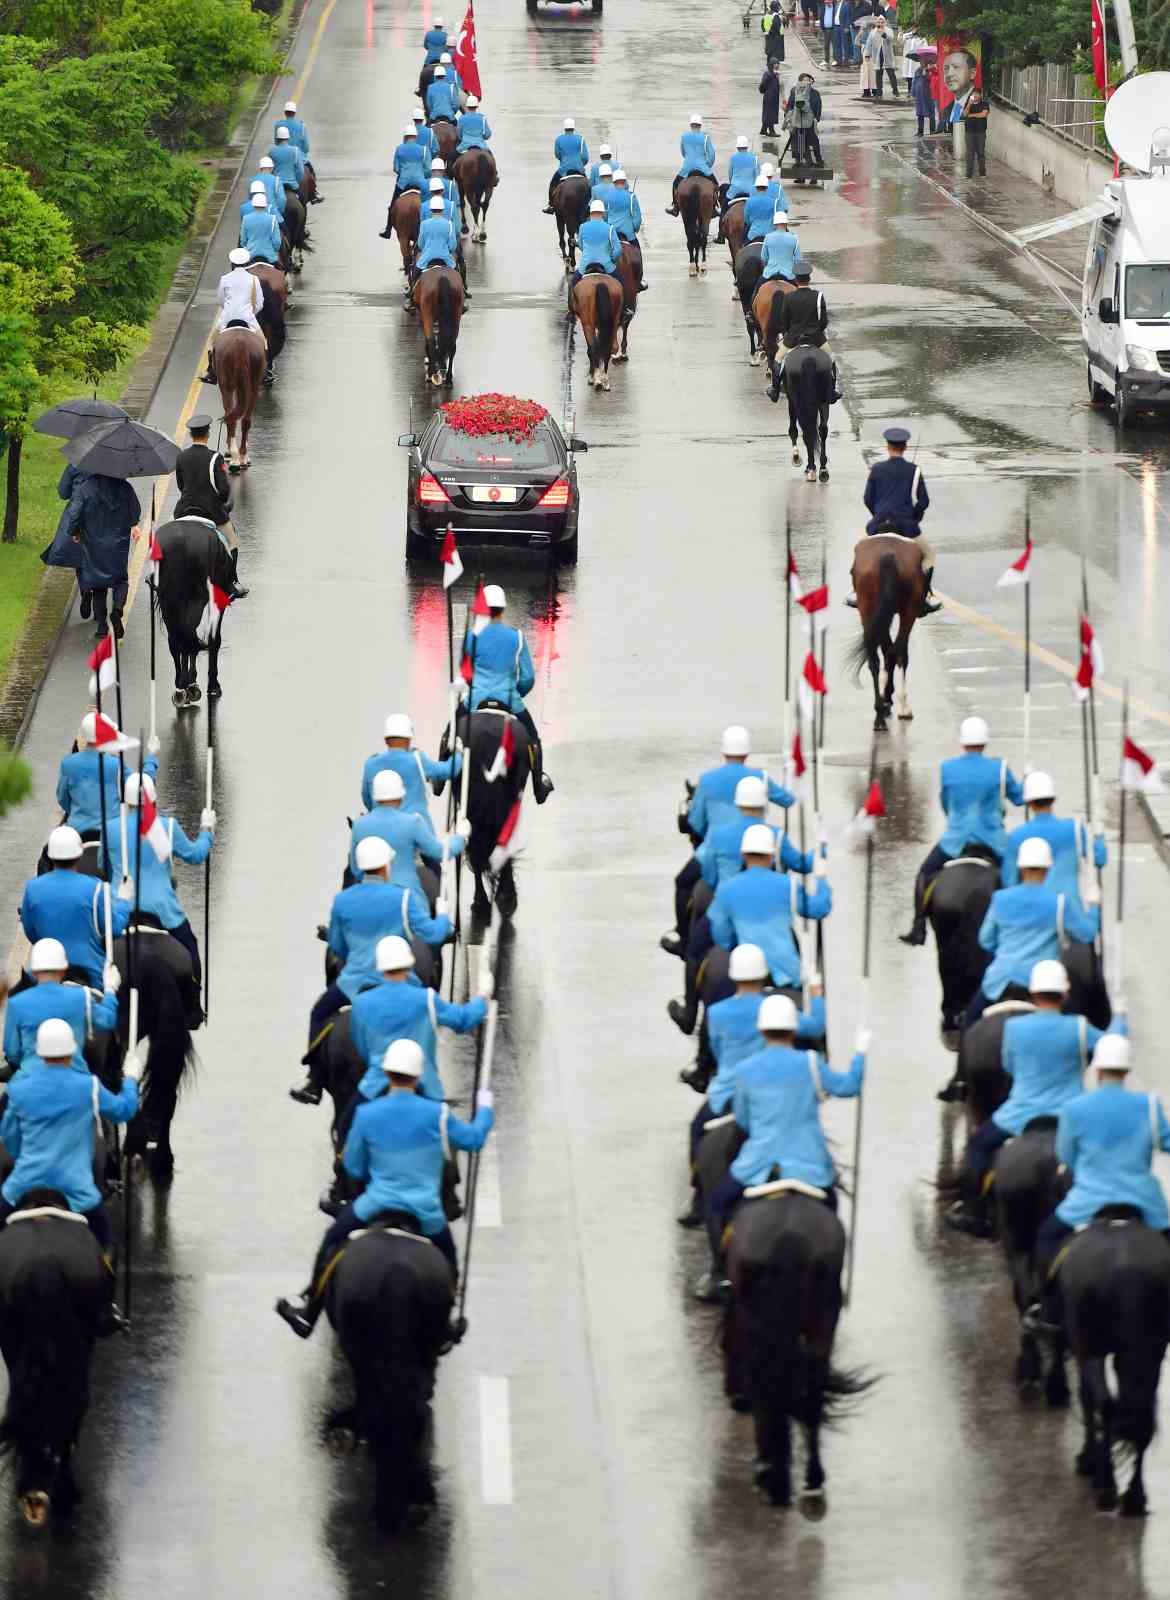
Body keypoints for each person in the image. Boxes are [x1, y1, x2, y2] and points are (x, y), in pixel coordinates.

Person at [275, 1038, 494, 1338]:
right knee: (448, 1256)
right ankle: (449, 1315)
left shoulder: (367, 1114)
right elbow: (473, 1139)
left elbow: (353, 1166)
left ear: (388, 1072)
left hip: (374, 1204)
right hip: (425, 1212)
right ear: (419, 1075)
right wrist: (485, 1108)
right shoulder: (438, 1115)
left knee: (333, 1240)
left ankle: (309, 1306)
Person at [697, 995, 867, 1299]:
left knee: (717, 1205)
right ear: (794, 1030)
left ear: (762, 1030)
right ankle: (831, 1279)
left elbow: (745, 1122)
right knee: (830, 1207)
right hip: (809, 1162)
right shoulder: (812, 1064)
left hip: (758, 1163)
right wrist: (860, 1054)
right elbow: (849, 1086)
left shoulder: (745, 1070)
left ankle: (720, 1274)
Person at [946, 959, 1128, 1235]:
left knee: (978, 1147)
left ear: (1033, 994)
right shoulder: (1078, 1027)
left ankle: (975, 1214)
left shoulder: (1015, 1030)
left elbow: (1008, 1066)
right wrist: (1120, 1018)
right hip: (1070, 1116)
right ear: (1065, 994)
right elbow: (1110, 1046)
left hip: (1019, 1115)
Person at [1028, 1034, 1170, 1333]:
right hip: (1145, 1202)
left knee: (1046, 1238)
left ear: (1098, 1069)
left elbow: (1065, 1154)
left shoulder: (1075, 1108)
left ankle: (1049, 1309)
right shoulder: (1149, 1105)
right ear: (1127, 1070)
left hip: (1088, 1200)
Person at [292, 932, 489, 1105]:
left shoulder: (361, 1003)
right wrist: (482, 995)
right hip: (422, 1087)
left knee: (320, 1012)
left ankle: (315, 1078)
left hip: (369, 1088)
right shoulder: (426, 999)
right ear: (410, 962)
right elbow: (465, 1020)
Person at [0, 1018, 139, 1261]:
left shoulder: (18, 1089)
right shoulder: (89, 1086)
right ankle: (107, 1290)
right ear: (71, 1051)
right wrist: (130, 1080)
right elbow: (124, 1110)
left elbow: (10, 1139)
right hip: (77, 1189)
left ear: (40, 1052)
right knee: (108, 1245)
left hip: (23, 1184)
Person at [661, 723, 796, 959]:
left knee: (682, 883)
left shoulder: (708, 780)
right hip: (761, 847)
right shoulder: (759, 778)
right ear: (747, 753)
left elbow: (695, 823)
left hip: (716, 850)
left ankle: (683, 938)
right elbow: (787, 801)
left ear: (723, 752)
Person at [306, 837, 453, 1049]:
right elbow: (430, 934)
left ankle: (314, 1075)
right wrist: (442, 920)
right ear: (386, 867)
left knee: (318, 1013)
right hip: (396, 979)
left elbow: (337, 946)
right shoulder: (403, 898)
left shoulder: (343, 900)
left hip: (353, 983)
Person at [900, 716, 1025, 946]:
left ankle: (918, 927)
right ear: (985, 743)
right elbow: (1019, 799)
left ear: (962, 742)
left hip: (955, 840)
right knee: (1019, 876)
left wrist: (956, 822)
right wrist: (1026, 780)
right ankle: (1020, 927)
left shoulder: (948, 768)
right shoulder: (1000, 768)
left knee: (925, 873)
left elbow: (946, 803)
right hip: (993, 840)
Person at [966, 836, 1101, 1027]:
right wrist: (1094, 906)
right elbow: (1087, 934)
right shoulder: (1059, 903)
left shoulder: (1000, 898)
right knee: (1079, 1026)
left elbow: (985, 940)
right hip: (1045, 984)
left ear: (1020, 868)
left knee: (970, 1022)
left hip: (999, 981)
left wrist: (1005, 949)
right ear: (1048, 869)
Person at [113, 772, 215, 985]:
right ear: (154, 799)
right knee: (190, 948)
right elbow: (196, 855)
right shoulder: (167, 826)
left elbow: (102, 865)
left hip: (121, 907)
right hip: (163, 910)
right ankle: (195, 999)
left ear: (126, 801)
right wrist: (207, 830)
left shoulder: (111, 828)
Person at [707, 825, 832, 993]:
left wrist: (736, 947)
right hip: (788, 974)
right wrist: (821, 879)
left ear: (743, 855)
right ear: (772, 856)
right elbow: (819, 909)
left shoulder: (726, 889)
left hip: (747, 971)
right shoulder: (790, 884)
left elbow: (720, 935)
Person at [461, 584, 554, 800]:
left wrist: (475, 688)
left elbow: (465, 674)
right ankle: (538, 783)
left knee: (450, 731)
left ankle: (440, 777)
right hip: (509, 700)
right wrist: (516, 694)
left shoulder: (470, 636)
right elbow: (528, 678)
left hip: (476, 699)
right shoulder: (517, 637)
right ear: (503, 609)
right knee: (533, 738)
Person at [19, 827, 131, 988]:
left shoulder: (32, 888)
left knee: (16, 997)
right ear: (80, 855)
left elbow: (31, 934)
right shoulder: (97, 887)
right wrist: (123, 901)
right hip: (92, 972)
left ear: (50, 856)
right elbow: (113, 929)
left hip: (45, 969)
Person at [847, 426, 937, 613]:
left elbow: (867, 499)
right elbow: (924, 501)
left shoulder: (877, 469)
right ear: (904, 447)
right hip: (906, 526)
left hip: (879, 523)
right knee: (929, 556)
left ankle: (855, 591)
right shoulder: (914, 470)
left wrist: (877, 515)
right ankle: (926, 595)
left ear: (888, 446)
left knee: (858, 550)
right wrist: (914, 517)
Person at [3, 939, 120, 1075]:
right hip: (75, 1075)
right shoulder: (83, 997)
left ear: (33, 972)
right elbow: (107, 1020)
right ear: (64, 970)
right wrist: (110, 989)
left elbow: (12, 1052)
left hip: (31, 1077)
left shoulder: (16, 1003)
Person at [347, 767, 467, 894]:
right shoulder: (414, 822)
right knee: (435, 886)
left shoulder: (359, 825)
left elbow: (356, 869)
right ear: (401, 797)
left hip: (369, 894)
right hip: (409, 895)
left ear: (375, 797)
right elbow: (440, 852)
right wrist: (460, 837)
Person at [1001, 772, 1107, 911]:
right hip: (1069, 910)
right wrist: (1098, 836)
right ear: (1053, 799)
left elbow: (1009, 881)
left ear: (1028, 802)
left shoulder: (1017, 836)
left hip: (1034, 911)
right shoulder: (1074, 829)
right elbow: (1099, 859)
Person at [56, 470, 140, 643]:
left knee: (98, 585)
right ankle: (117, 609)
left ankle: (102, 627)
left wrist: (75, 531)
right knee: (120, 580)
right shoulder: (124, 487)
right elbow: (135, 511)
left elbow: (75, 513)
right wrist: (132, 523)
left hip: (93, 541)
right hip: (118, 541)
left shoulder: (85, 488)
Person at [173, 414, 248, 599]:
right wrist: (223, 502)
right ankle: (232, 581)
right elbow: (223, 491)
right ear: (207, 434)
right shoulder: (216, 458)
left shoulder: (181, 457)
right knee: (232, 541)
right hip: (210, 511)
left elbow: (181, 486)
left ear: (191, 435)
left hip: (184, 509)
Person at [55, 712, 158, 843]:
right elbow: (142, 785)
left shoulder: (68, 764)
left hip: (77, 833)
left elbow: (63, 799)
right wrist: (151, 757)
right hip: (112, 834)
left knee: (52, 851)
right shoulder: (115, 764)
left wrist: (79, 813)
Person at [696, 775, 813, 889]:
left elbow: (709, 873)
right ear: (765, 804)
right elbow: (801, 865)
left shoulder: (718, 834)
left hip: (727, 902)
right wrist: (818, 851)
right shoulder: (776, 835)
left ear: (737, 803)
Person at [766, 262, 842, 403]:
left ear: (796, 279)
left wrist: (790, 333)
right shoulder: (818, 296)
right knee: (831, 359)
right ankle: (832, 390)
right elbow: (823, 321)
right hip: (816, 339)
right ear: (809, 279)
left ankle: (775, 390)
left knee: (777, 360)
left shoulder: (788, 298)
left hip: (793, 339)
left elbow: (784, 321)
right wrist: (816, 331)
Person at [360, 712, 462, 815]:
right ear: (409, 739)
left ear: (386, 740)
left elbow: (367, 800)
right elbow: (449, 770)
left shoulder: (371, 764)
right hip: (416, 827)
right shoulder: (416, 760)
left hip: (381, 827)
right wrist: (458, 753)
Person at [202, 246, 265, 385]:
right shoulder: (254, 279)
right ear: (247, 263)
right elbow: (259, 303)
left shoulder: (225, 279)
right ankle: (264, 372)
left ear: (232, 263)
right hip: (248, 319)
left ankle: (211, 371)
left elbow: (220, 300)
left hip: (227, 318)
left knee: (212, 342)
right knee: (263, 342)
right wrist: (251, 313)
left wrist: (230, 309)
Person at [568, 198, 623, 311]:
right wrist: (611, 259)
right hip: (606, 265)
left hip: (585, 265)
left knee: (573, 282)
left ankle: (571, 309)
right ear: (603, 212)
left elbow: (582, 246)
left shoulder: (583, 227)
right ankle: (625, 309)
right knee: (621, 283)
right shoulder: (610, 228)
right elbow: (618, 250)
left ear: (590, 212)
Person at [408, 195, 461, 295]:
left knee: (414, 274)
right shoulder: (449, 224)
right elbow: (453, 246)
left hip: (427, 258)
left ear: (431, 209)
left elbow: (420, 244)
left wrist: (427, 248)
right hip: (446, 258)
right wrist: (447, 249)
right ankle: (463, 291)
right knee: (457, 275)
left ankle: (410, 294)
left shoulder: (424, 224)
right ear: (442, 209)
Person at [665, 114, 716, 215]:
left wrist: (689, 160)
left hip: (687, 168)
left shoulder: (684, 137)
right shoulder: (706, 138)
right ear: (700, 125)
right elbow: (711, 156)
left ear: (691, 125)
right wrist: (707, 166)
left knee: (675, 184)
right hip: (703, 168)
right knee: (716, 185)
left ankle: (675, 206)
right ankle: (715, 207)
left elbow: (683, 152)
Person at [607, 171, 648, 290]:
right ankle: (639, 280)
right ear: (624, 182)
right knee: (637, 254)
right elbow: (637, 218)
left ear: (614, 182)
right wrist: (634, 228)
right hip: (628, 234)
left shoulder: (608, 196)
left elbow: (605, 215)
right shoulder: (631, 197)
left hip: (611, 233)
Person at [544, 117, 589, 212]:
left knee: (553, 184)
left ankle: (551, 205)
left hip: (563, 170)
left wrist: (564, 161)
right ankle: (590, 205)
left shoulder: (559, 140)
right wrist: (580, 165)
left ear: (564, 128)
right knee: (589, 186)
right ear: (574, 128)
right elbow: (585, 157)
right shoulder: (581, 139)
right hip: (579, 169)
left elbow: (557, 155)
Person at [386, 122, 428, 221]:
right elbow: (427, 169)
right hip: (420, 182)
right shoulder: (423, 150)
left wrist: (403, 173)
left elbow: (396, 168)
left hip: (403, 183)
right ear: (416, 136)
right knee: (432, 203)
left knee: (392, 206)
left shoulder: (399, 149)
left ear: (405, 136)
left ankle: (388, 229)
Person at [784, 73, 824, 165]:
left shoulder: (815, 93)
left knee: (814, 141)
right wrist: (789, 116)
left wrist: (816, 118)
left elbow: (818, 106)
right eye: (804, 80)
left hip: (810, 122)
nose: (807, 82)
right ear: (800, 82)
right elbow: (790, 105)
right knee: (799, 144)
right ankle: (800, 162)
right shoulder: (795, 92)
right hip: (798, 122)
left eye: (808, 80)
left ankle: (818, 159)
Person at [239, 192, 283, 266]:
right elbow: (277, 242)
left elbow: (243, 241)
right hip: (269, 257)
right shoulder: (273, 219)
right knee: (280, 272)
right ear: (265, 205)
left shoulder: (246, 219)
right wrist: (275, 251)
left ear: (253, 205)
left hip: (250, 256)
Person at [960, 75, 989, 177]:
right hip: (969, 132)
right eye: (973, 94)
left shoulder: (984, 104)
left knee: (981, 152)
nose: (975, 96)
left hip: (980, 132)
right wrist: (969, 104)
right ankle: (969, 173)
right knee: (970, 153)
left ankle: (982, 172)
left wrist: (971, 115)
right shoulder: (968, 104)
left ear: (980, 95)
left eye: (977, 94)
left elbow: (983, 114)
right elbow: (964, 115)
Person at [761, 209, 801, 281]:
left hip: (770, 273)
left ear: (775, 224)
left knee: (757, 289)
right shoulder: (794, 238)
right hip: (789, 275)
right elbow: (798, 260)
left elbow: (764, 258)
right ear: (786, 223)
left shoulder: (768, 237)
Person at [867, 15, 899, 96]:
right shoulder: (873, 31)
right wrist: (867, 54)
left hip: (887, 55)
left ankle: (895, 89)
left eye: (882, 22)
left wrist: (884, 34)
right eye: (879, 22)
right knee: (878, 73)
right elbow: (869, 43)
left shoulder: (888, 30)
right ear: (877, 23)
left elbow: (891, 38)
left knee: (891, 73)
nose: (880, 24)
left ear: (884, 23)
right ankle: (879, 91)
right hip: (877, 55)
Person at [268, 125, 306, 194]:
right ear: (288, 138)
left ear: (277, 138)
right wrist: (296, 182)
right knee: (302, 200)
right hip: (292, 185)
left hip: (276, 185)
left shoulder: (272, 151)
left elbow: (269, 170)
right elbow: (301, 171)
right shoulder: (296, 150)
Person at [724, 137, 760, 208]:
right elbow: (757, 176)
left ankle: (722, 217)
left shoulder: (733, 158)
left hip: (735, 190)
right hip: (751, 191)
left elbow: (730, 174)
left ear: (737, 147)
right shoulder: (754, 158)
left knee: (725, 206)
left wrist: (733, 183)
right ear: (747, 147)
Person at [744, 173, 779, 243]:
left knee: (743, 247)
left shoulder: (749, 201)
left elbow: (746, 220)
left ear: (756, 187)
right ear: (767, 187)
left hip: (753, 236)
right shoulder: (774, 202)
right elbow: (777, 220)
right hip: (770, 236)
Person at [250, 156, 286, 221]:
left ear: (260, 168)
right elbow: (282, 199)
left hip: (255, 211)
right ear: (271, 168)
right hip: (273, 212)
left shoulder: (253, 180)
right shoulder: (276, 180)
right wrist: (280, 212)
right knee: (286, 230)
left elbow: (250, 198)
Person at [912, 58, 937, 135]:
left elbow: (933, 79)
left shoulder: (932, 70)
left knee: (931, 113)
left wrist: (926, 72)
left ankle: (932, 131)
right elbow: (914, 81)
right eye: (920, 61)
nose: (921, 62)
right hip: (919, 96)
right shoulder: (917, 70)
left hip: (928, 95)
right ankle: (920, 131)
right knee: (920, 113)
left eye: (923, 61)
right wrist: (913, 92)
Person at [759, 59, 783, 137]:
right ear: (771, 64)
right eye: (775, 64)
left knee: (768, 114)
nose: (777, 65)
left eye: (778, 64)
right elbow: (763, 84)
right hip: (769, 97)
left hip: (774, 97)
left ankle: (763, 130)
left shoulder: (776, 74)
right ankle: (771, 131)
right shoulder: (768, 74)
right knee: (770, 114)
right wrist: (773, 75)